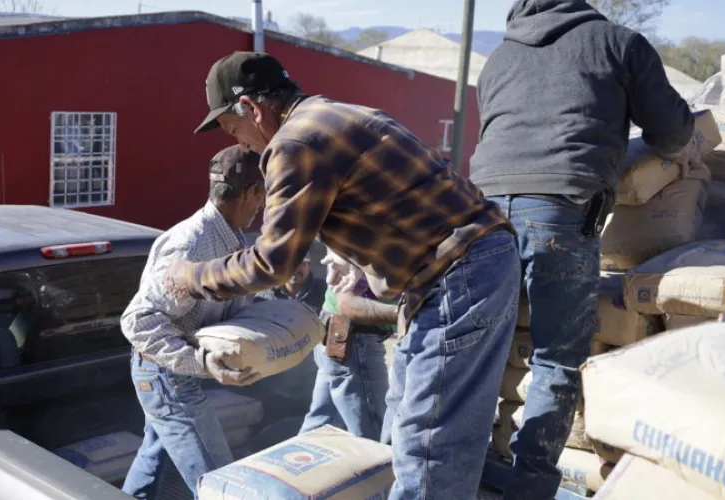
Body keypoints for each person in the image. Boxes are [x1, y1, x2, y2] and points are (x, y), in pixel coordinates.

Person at [164, 51, 521, 500]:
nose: (245, 145)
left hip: (457, 270)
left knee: (429, 441)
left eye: (233, 130)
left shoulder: (293, 144)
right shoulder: (339, 114)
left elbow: (272, 262)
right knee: (407, 417)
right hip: (463, 265)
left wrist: (191, 276)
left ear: (252, 108)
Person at [469, 1, 699, 498]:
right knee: (556, 357)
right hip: (559, 209)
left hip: (480, 213)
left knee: (479, 348)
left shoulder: (499, 57)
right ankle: (529, 487)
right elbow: (673, 133)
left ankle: (471, 469)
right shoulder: (616, 42)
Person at [120, 145, 266, 500]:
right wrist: (202, 363)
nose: (263, 206)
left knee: (153, 459)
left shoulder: (230, 235)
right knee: (219, 484)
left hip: (170, 373)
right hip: (166, 376)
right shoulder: (194, 244)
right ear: (251, 192)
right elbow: (139, 321)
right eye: (263, 195)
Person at [298, 258, 397, 441]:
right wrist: (404, 314)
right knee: (374, 433)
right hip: (353, 341)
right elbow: (347, 305)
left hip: (339, 337)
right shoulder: (364, 250)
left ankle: (296, 458)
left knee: (321, 426)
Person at [256, 253, 326, 312]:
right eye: (289, 264)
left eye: (301, 263)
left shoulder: (324, 292)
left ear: (309, 265)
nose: (295, 269)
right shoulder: (265, 294)